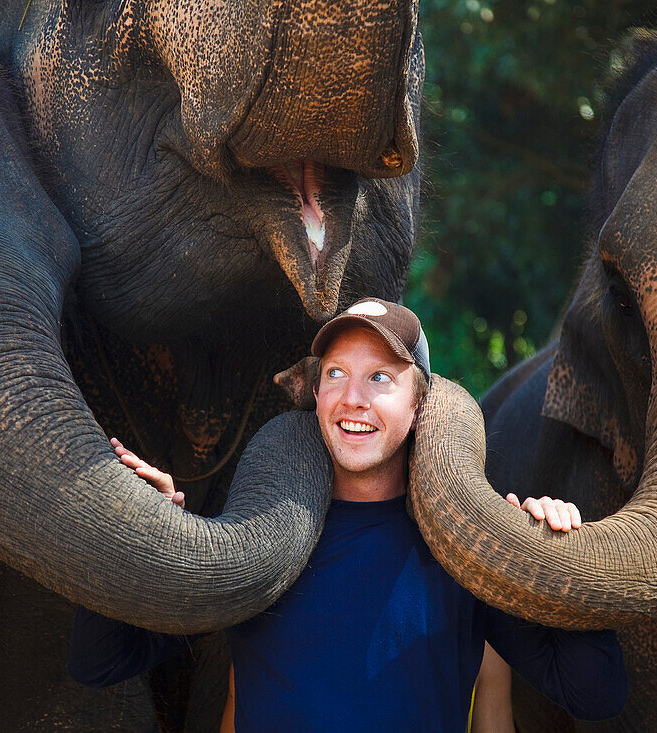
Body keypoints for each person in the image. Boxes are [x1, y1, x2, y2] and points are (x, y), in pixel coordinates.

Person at [68, 298, 627, 731]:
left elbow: (596, 694)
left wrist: (559, 556)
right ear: (314, 393)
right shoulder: (262, 532)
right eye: (335, 373)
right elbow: (99, 662)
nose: (352, 397)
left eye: (380, 377)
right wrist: (139, 531)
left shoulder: (462, 550)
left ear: (420, 405)